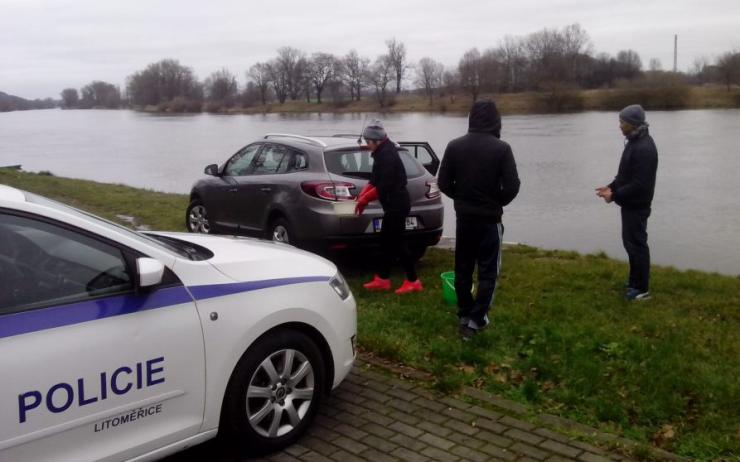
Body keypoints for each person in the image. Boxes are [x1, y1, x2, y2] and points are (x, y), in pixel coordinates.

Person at [438, 100, 520, 340]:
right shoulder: (502, 148)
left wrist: (462, 199)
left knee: (462, 267)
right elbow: (513, 186)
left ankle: (465, 313)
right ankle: (477, 319)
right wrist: (497, 202)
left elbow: (443, 183)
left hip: (464, 219)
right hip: (489, 220)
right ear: (496, 120)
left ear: (471, 118)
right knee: (488, 272)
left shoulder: (454, 146)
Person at [596, 104, 658, 301]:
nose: (619, 126)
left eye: (622, 122)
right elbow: (625, 175)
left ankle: (642, 289)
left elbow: (640, 183)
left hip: (638, 205)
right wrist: (611, 187)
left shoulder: (645, 148)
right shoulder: (633, 142)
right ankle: (634, 281)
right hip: (629, 203)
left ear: (632, 124)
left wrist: (614, 195)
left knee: (637, 245)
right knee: (631, 245)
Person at [355, 119, 422, 294]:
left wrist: (364, 201)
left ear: (376, 140)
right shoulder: (381, 152)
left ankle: (413, 281)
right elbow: (374, 179)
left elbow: (384, 185)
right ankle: (383, 279)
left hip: (397, 205)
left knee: (398, 243)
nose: (367, 145)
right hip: (391, 205)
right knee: (386, 242)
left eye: (368, 142)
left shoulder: (388, 156)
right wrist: (361, 196)